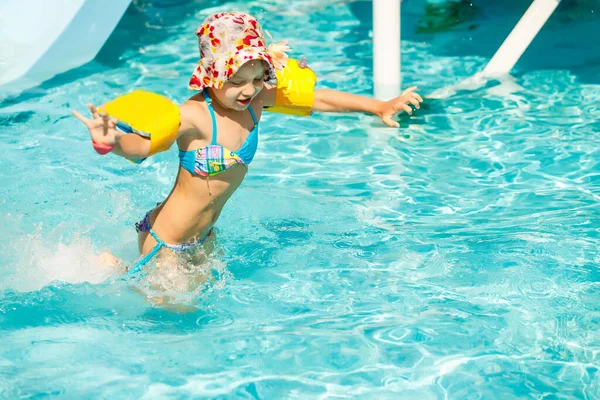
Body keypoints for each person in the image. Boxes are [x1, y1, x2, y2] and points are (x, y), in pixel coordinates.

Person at [72, 12, 423, 281]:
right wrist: (112, 141)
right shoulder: (194, 115)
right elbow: (143, 147)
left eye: (257, 78)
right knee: (175, 312)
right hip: (165, 240)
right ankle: (113, 271)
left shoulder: (255, 102)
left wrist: (378, 106)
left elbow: (318, 100)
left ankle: (123, 272)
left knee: (202, 300)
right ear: (212, 76)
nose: (248, 89)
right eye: (236, 81)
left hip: (204, 236)